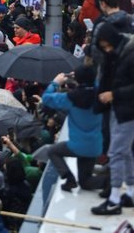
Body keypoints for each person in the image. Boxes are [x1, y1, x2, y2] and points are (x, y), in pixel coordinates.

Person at [90, 7, 134, 215]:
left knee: (116, 152)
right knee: (123, 152)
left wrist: (114, 94)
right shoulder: (115, 53)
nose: (105, 50)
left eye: (106, 47)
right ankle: (130, 193)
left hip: (130, 108)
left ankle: (115, 198)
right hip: (120, 107)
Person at [37, 65, 102, 193]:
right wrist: (85, 78)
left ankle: (69, 178)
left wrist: (55, 83)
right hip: (95, 146)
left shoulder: (69, 99)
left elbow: (46, 98)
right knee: (85, 182)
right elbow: (94, 84)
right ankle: (109, 182)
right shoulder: (101, 95)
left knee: (52, 151)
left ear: (77, 80)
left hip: (76, 146)